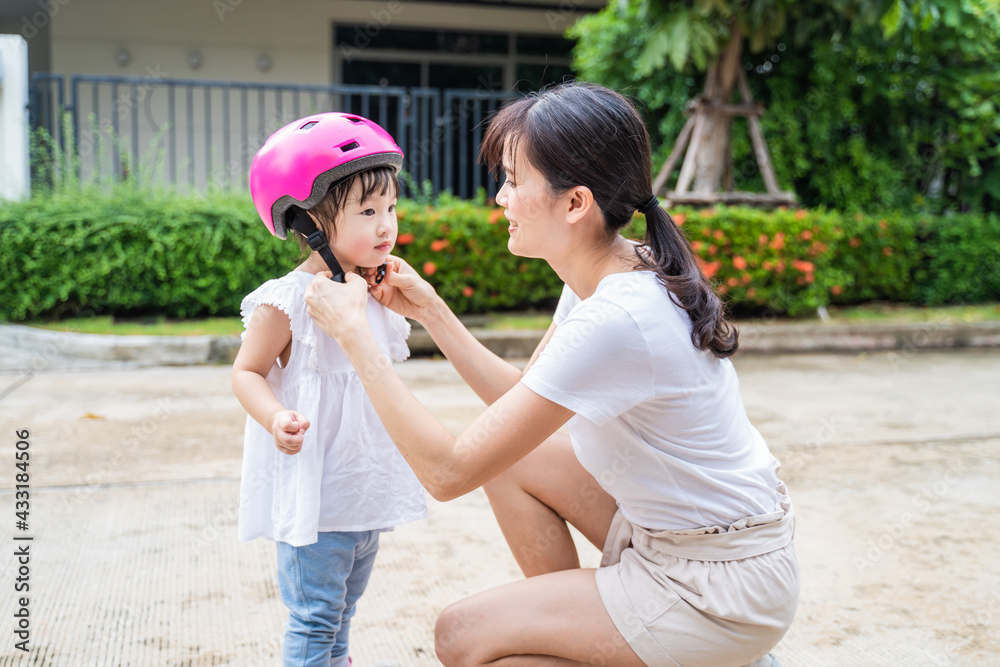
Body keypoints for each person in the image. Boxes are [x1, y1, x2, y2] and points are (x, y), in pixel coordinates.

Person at [304, 82, 799, 667]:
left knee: (460, 637)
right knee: (509, 458)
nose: (500, 198)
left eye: (513, 180)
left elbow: (446, 472)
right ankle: (606, 635)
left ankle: (672, 646)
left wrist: (357, 339)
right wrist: (431, 311)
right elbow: (524, 404)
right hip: (697, 542)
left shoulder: (618, 317)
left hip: (715, 589)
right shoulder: (616, 269)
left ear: (575, 202)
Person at [231, 112, 426, 667]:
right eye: (367, 211)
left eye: (389, 207)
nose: (386, 225)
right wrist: (274, 418)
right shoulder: (286, 301)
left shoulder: (376, 289)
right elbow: (246, 372)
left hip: (361, 495)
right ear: (307, 220)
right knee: (315, 622)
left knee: (342, 617)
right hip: (314, 505)